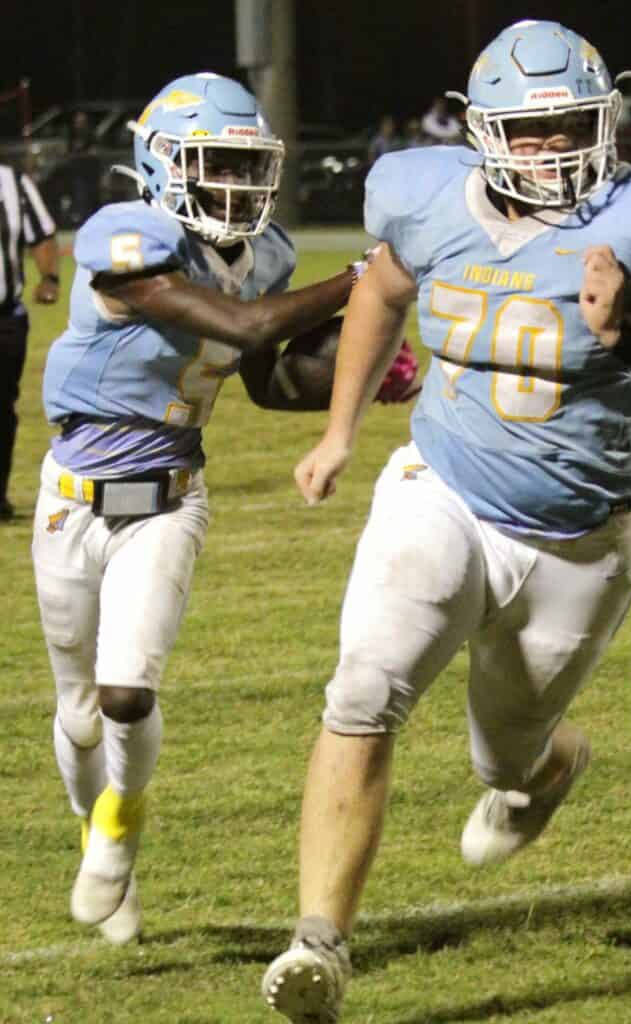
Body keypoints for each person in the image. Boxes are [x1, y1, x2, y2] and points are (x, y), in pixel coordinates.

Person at [261, 19, 631, 1023]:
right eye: (526, 132)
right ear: (482, 131)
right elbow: (381, 291)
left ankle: (547, 764)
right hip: (442, 487)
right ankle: (317, 941)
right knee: (364, 683)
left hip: (581, 539)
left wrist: (629, 335)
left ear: (603, 121)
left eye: (567, 125)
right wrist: (341, 429)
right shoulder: (425, 193)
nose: (548, 149)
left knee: (506, 758)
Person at [32, 71, 414, 947]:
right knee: (79, 706)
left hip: (167, 497)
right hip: (71, 500)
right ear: (162, 166)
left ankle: (119, 829)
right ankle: (92, 826)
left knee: (127, 692)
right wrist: (363, 280)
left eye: (249, 169)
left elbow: (262, 377)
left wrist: (347, 387)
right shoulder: (125, 237)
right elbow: (242, 328)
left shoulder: (267, 253)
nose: (237, 189)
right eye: (216, 167)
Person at [0, 161, 60, 520]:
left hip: (4, 319)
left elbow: (41, 236)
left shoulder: (12, 182)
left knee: (1, 410)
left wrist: (50, 277)